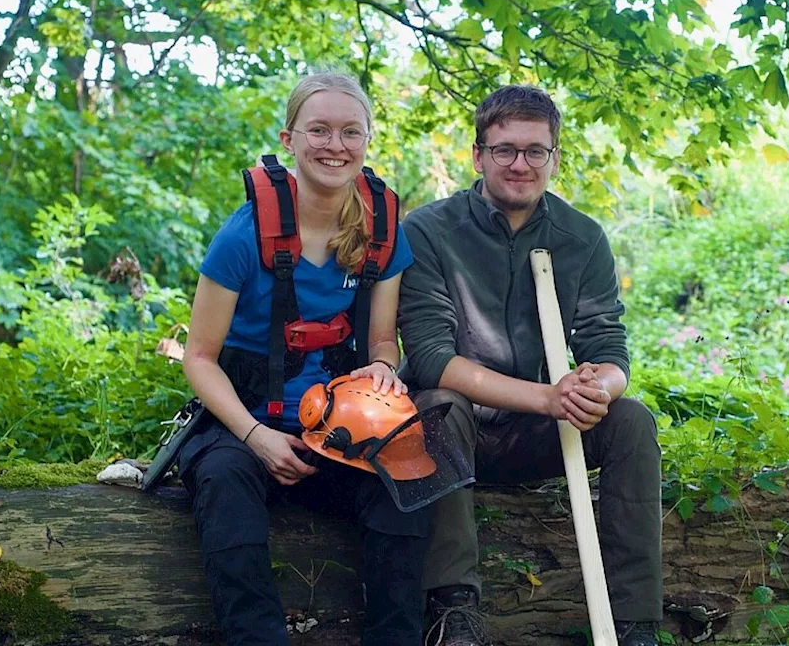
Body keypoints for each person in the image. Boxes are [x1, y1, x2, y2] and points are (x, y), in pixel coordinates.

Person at [398, 84, 663, 646]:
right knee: (439, 406)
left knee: (632, 420)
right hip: (453, 434)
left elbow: (609, 349)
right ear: (478, 155)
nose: (521, 164)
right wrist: (546, 396)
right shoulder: (427, 231)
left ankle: (635, 622)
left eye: (535, 151)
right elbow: (429, 358)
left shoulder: (583, 239)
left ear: (554, 157)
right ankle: (455, 610)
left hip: (536, 435)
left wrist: (598, 388)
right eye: (504, 150)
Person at [178, 72, 427, 645]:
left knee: (404, 487)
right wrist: (255, 437)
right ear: (290, 140)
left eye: (349, 132)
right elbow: (198, 357)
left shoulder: (384, 234)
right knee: (223, 482)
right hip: (243, 420)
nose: (334, 146)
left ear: (366, 141)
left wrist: (384, 369)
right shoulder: (243, 236)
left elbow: (384, 343)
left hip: (337, 427)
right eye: (318, 130)